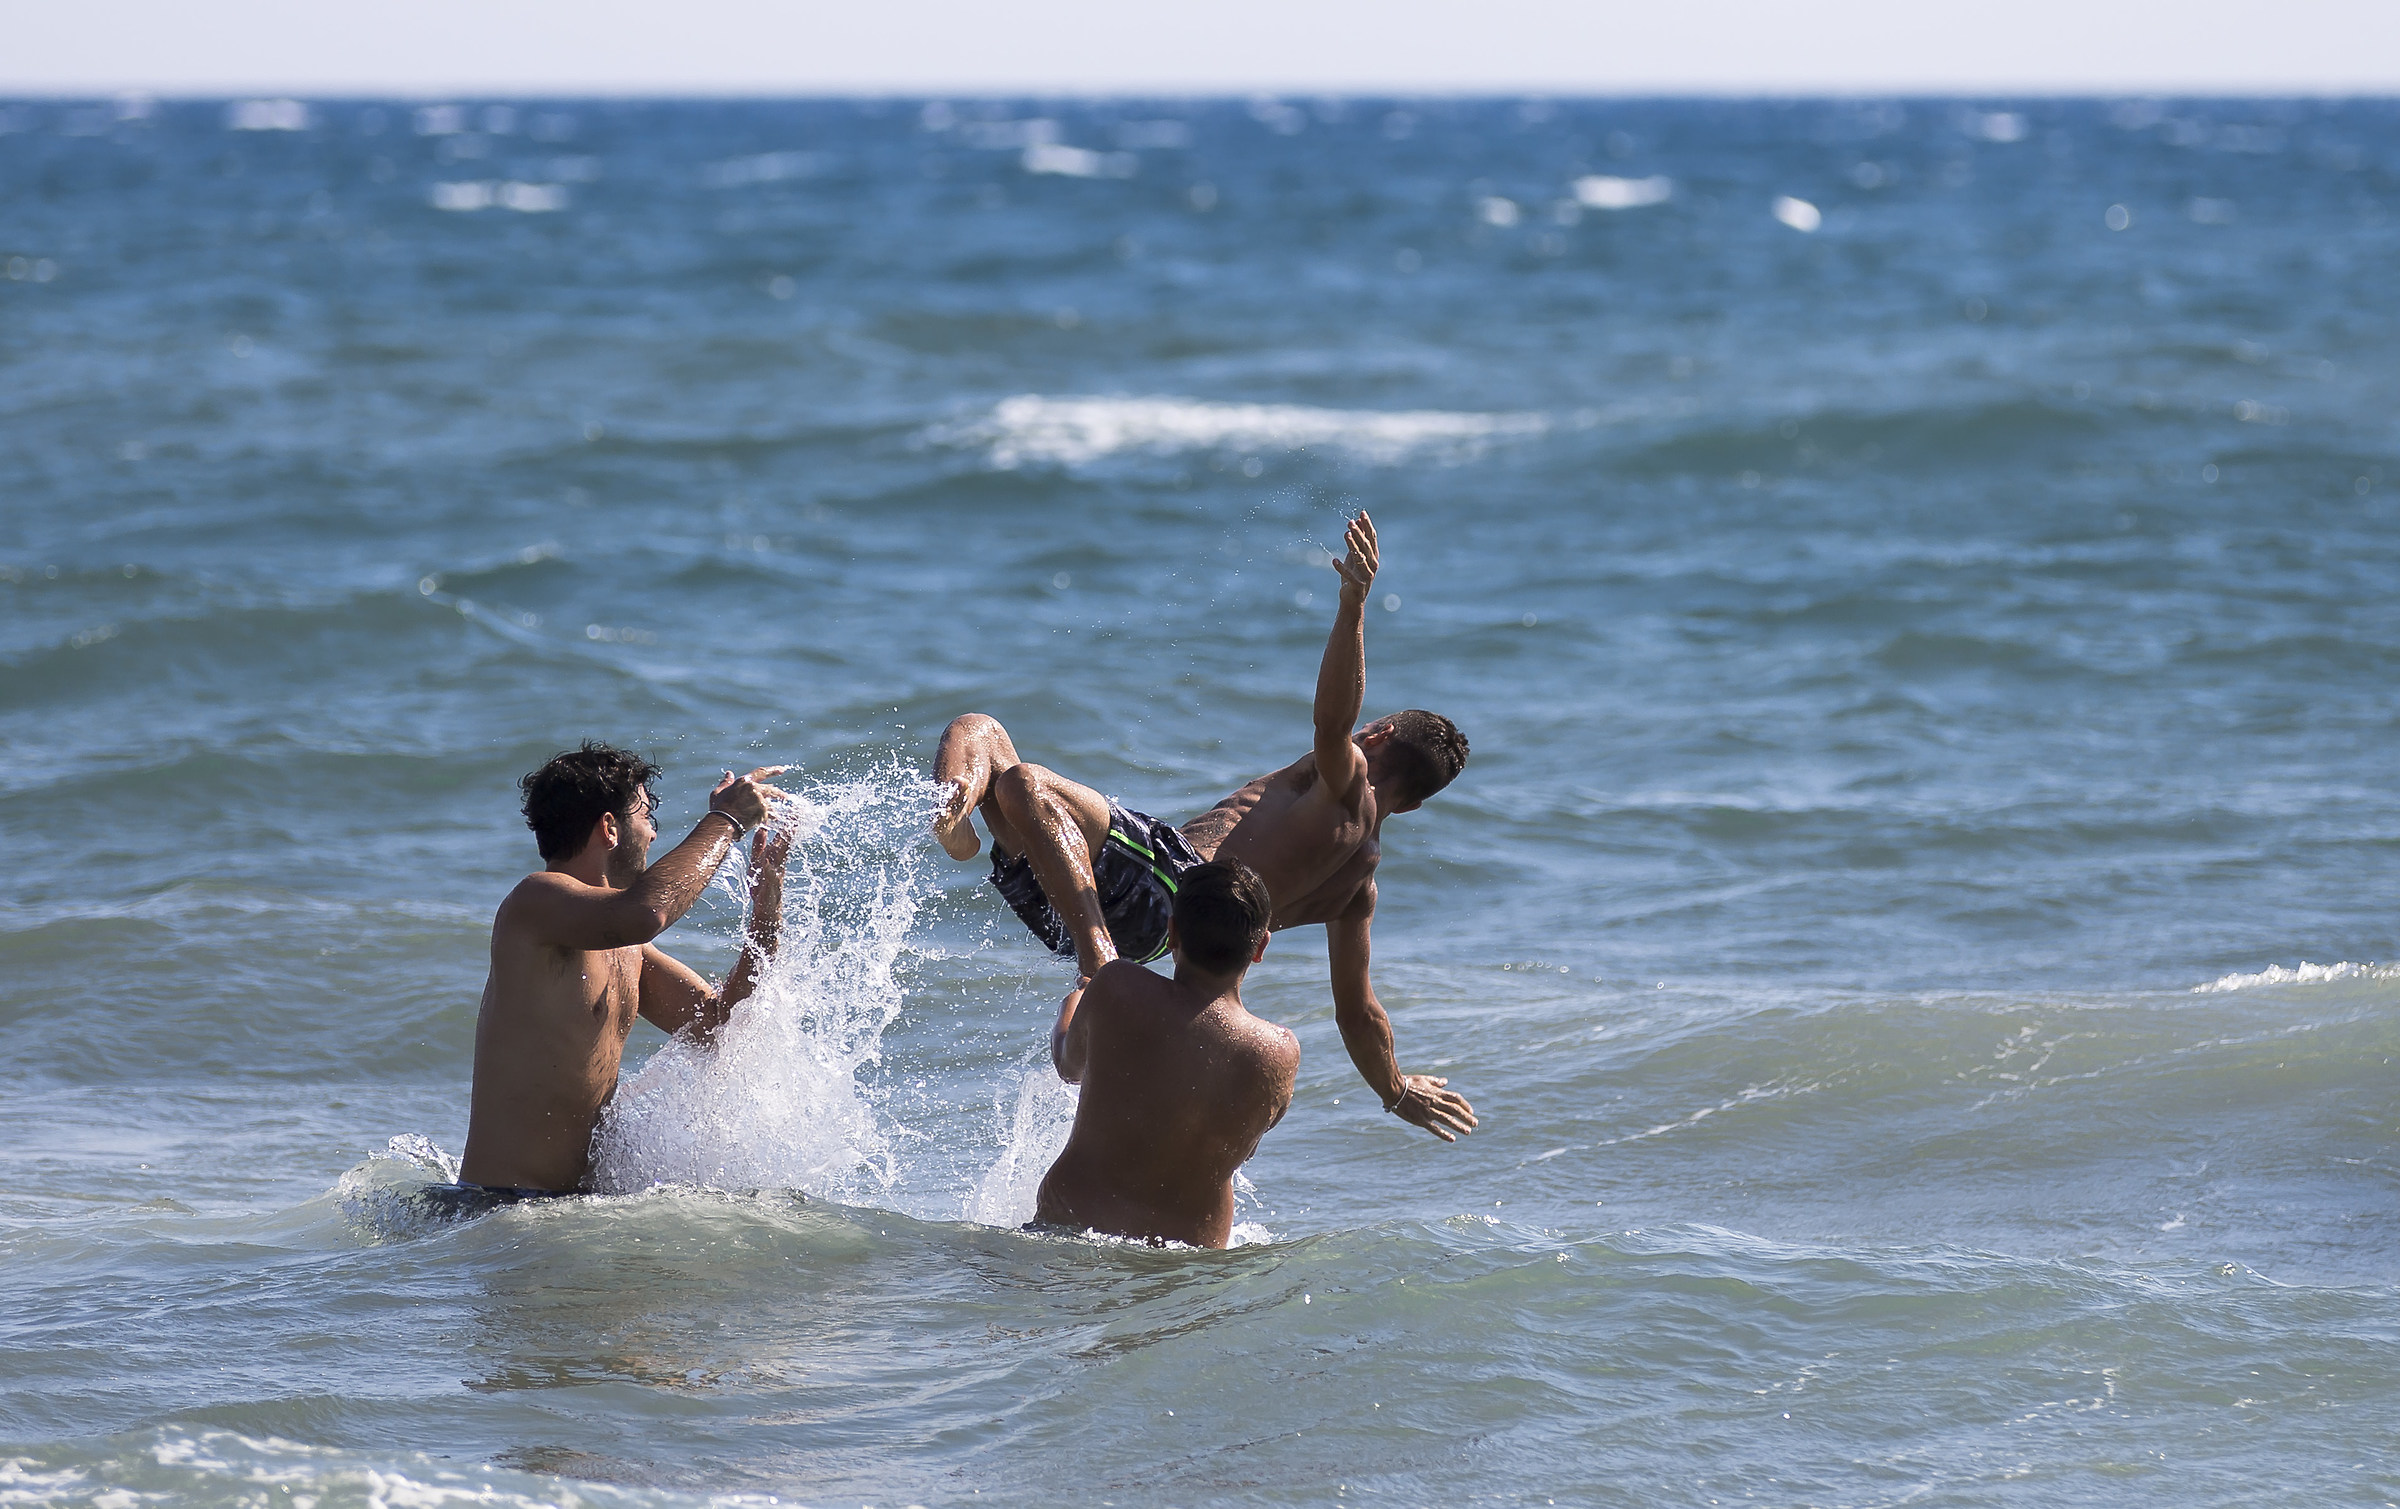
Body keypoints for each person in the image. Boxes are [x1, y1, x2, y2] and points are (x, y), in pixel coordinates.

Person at [932, 512, 1477, 1141]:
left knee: (1000, 755)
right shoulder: (1358, 888)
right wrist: (1396, 1091)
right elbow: (1356, 1010)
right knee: (994, 756)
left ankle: (1086, 957)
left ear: (1375, 735)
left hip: (1170, 883)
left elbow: (1331, 722)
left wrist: (1352, 604)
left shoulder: (1349, 777)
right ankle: (962, 829)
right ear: (1414, 806)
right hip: (1147, 929)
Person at [445, 742, 790, 1208]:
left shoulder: (627, 947)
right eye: (646, 816)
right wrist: (725, 822)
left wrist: (765, 906)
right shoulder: (535, 903)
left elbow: (720, 1025)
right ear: (609, 828)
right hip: (499, 1208)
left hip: (571, 1210)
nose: (651, 835)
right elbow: (648, 910)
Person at [1033, 859, 1299, 1247]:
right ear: (1260, 947)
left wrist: (1073, 1005)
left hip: (1071, 1225)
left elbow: (1068, 1066)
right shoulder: (1278, 1053)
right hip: (1192, 1256)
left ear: (1172, 932)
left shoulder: (1118, 986)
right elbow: (1246, 1146)